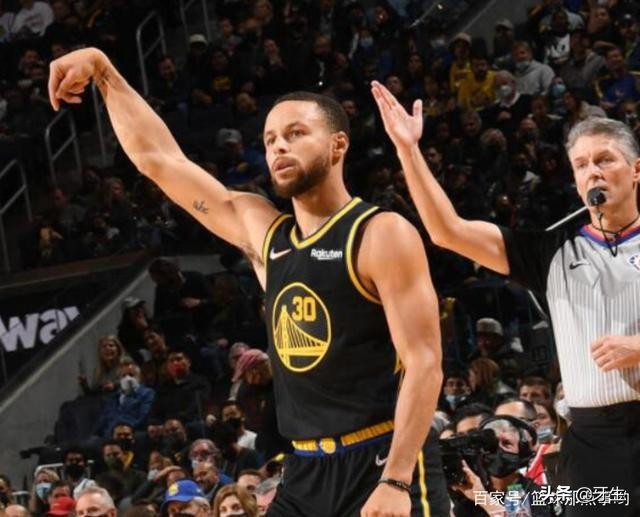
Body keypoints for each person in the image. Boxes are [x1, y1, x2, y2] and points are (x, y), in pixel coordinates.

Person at [49, 47, 443, 517]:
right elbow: (160, 160)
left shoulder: (380, 233)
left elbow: (425, 363)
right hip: (306, 469)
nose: (279, 147)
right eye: (270, 139)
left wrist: (396, 479)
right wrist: (103, 70)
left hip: (382, 457)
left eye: (296, 134)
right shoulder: (266, 234)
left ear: (338, 145)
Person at [372, 80, 640, 516]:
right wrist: (408, 150)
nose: (592, 171)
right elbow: (447, 231)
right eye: (581, 164)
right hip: (592, 445)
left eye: (605, 159)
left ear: (635, 170)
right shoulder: (549, 252)